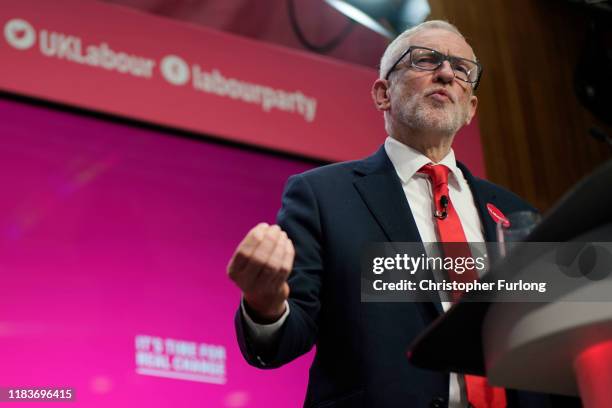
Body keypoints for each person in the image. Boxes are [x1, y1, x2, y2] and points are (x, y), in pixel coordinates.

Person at [227, 20, 576, 408]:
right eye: (425, 60)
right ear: (382, 94)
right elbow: (284, 339)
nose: (446, 73)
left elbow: (547, 350)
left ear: (471, 108)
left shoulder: (517, 214)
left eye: (462, 70)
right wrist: (265, 303)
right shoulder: (323, 196)